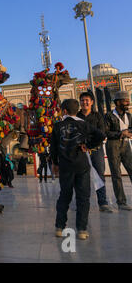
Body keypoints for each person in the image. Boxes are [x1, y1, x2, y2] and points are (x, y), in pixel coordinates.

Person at [51, 99, 105, 240]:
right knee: (83, 197)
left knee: (64, 195)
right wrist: (88, 145)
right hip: (82, 165)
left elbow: (54, 148)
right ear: (77, 110)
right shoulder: (83, 124)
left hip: (65, 166)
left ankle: (59, 227)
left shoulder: (57, 126)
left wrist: (54, 163)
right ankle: (81, 230)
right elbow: (101, 135)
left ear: (64, 111)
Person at [77, 91, 113, 213]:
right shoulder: (76, 117)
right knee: (81, 177)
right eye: (82, 100)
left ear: (92, 102)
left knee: (99, 175)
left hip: (96, 151)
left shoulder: (98, 116)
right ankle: (82, 204)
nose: (84, 102)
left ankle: (103, 203)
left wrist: (89, 145)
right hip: (81, 152)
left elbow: (102, 134)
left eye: (87, 100)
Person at [104, 90, 132, 211]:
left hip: (126, 145)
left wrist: (129, 133)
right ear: (117, 102)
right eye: (125, 101)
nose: (128, 103)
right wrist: (120, 134)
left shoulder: (129, 115)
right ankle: (121, 202)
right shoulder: (109, 116)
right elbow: (105, 132)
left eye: (128, 100)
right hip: (113, 146)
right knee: (116, 175)